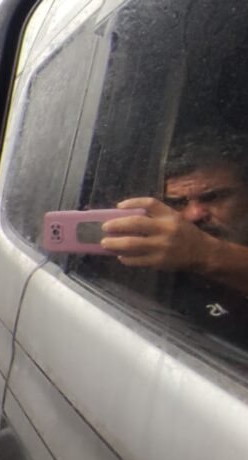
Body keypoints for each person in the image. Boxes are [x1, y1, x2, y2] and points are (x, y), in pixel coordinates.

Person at [101, 131, 248, 343]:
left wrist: (204, 253)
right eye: (177, 203)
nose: (195, 215)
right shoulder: (151, 262)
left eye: (214, 197)